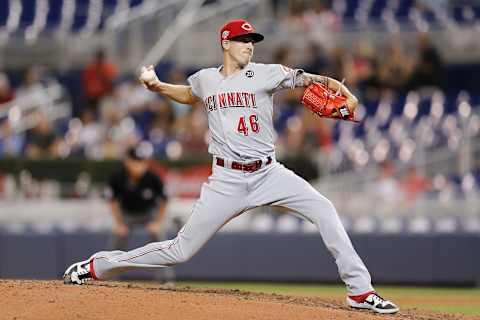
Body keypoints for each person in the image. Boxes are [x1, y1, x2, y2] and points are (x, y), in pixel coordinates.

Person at [64, 19, 399, 314]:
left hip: (269, 173)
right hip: (226, 179)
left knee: (324, 209)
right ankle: (98, 265)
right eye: (243, 41)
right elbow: (189, 94)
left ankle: (360, 291)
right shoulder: (206, 79)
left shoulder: (267, 73)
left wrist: (345, 92)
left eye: (252, 42)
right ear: (226, 43)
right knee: (180, 251)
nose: (249, 47)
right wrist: (158, 86)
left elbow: (312, 80)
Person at [106, 143, 169, 251]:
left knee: (159, 240)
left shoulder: (153, 178)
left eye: (142, 162)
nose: (139, 166)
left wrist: (157, 223)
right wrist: (119, 223)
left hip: (148, 213)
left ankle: (164, 268)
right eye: (135, 162)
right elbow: (112, 201)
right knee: (117, 240)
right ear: (127, 162)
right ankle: (109, 267)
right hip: (127, 214)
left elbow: (164, 200)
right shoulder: (118, 177)